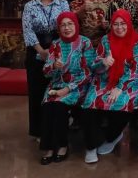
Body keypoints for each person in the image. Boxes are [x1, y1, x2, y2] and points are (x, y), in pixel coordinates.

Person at [81, 9, 138, 164]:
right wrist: (104, 63)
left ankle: (112, 137)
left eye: (123, 23)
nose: (119, 27)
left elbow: (136, 68)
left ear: (128, 24)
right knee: (90, 101)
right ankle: (90, 146)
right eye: (115, 24)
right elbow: (94, 65)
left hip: (130, 82)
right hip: (104, 79)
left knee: (122, 102)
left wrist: (120, 87)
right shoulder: (105, 40)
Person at [39, 12, 95, 165]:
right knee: (48, 106)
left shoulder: (85, 43)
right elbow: (46, 73)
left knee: (58, 106)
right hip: (56, 85)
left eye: (70, 24)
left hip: (78, 86)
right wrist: (53, 66)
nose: (66, 28)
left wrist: (68, 89)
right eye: (63, 25)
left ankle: (62, 145)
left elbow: (88, 72)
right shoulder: (56, 44)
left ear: (76, 25)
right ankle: (48, 148)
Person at [22, 0, 70, 139]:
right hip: (36, 50)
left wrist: (55, 51)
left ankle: (54, 128)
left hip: (58, 49)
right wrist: (41, 51)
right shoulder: (30, 6)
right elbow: (28, 30)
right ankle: (38, 131)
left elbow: (67, 27)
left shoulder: (63, 5)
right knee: (37, 91)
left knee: (55, 90)